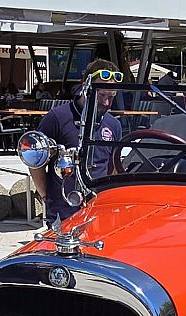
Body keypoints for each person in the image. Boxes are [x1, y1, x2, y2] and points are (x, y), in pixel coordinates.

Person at [29, 58, 123, 226]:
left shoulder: (113, 124)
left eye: (112, 96)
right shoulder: (58, 117)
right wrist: (46, 196)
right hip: (63, 207)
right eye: (101, 95)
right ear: (86, 87)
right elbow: (35, 160)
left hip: (97, 208)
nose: (107, 103)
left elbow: (113, 166)